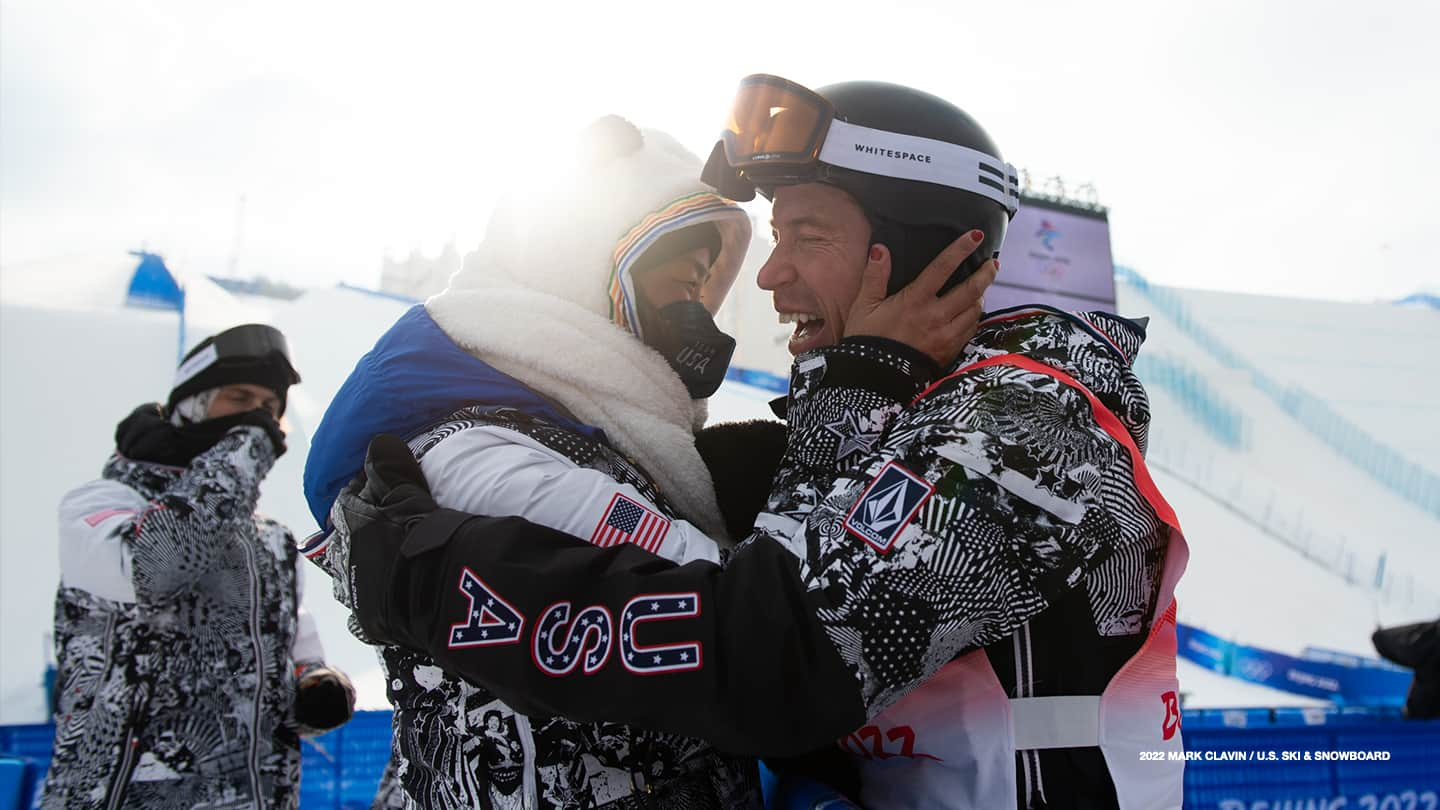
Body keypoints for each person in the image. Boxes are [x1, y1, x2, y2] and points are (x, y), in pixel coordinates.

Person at [331, 75, 1191, 810]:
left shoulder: (1032, 426)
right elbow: (786, 548)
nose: (771, 276)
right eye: (776, 239)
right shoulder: (901, 410)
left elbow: (769, 655)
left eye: (808, 237)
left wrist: (429, 577)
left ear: (928, 247)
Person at [301, 116, 770, 809]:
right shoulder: (476, 456)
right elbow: (754, 627)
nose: (697, 308)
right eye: (686, 276)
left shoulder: (573, 434)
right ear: (586, 258)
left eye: (708, 285)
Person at [43, 324, 355, 810]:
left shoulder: (269, 540)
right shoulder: (98, 505)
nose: (257, 418)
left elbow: (292, 655)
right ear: (190, 402)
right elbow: (155, 567)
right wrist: (246, 447)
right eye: (239, 397)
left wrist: (317, 689)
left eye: (270, 409)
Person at [1372, 618, 1440, 719]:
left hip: (1423, 718)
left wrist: (1379, 637)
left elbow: (1383, 640)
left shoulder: (1430, 637)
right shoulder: (1430, 637)